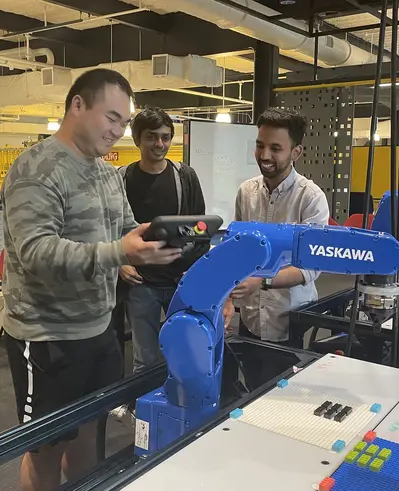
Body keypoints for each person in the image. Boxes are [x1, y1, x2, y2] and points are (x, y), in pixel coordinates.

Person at [0, 69, 182, 491]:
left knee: (88, 439)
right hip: (47, 337)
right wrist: (121, 252)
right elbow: (36, 254)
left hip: (99, 330)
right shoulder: (35, 169)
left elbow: (122, 228)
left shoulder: (105, 173)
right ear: (78, 105)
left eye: (123, 123)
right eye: (112, 119)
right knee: (45, 450)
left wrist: (160, 235)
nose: (119, 132)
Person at [223, 107, 330, 345]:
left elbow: (311, 268)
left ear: (296, 152)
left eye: (275, 148)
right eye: (260, 145)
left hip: (292, 321)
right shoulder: (246, 192)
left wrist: (261, 281)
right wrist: (228, 299)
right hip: (250, 318)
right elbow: (236, 251)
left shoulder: (311, 198)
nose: (264, 155)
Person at [118, 106, 206, 373]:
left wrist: (190, 270)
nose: (160, 143)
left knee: (185, 350)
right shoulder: (121, 178)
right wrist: (119, 263)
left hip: (179, 280)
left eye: (165, 137)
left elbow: (200, 229)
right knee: (144, 359)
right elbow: (109, 230)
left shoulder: (185, 177)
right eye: (152, 137)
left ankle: (181, 408)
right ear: (137, 140)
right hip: (140, 284)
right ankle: (145, 411)